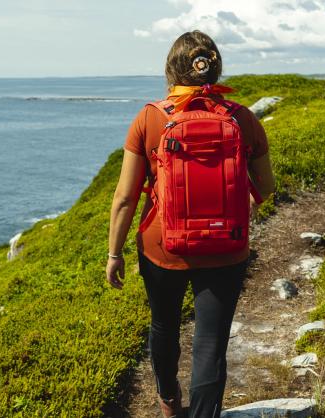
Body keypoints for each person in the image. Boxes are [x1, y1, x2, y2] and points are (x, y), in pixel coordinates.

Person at [105, 30, 276, 418]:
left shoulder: (150, 117)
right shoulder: (242, 118)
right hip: (226, 248)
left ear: (172, 69)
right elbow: (266, 185)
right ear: (214, 68)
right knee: (210, 342)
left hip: (162, 247)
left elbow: (125, 198)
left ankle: (168, 403)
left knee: (164, 327)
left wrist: (114, 254)